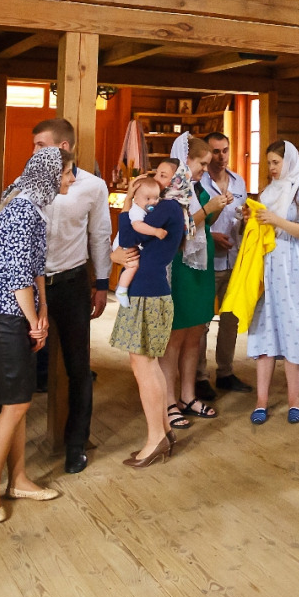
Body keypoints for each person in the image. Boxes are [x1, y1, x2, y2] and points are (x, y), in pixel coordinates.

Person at [0, 119, 115, 478]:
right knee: (13, 372)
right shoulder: (23, 186)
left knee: (79, 366)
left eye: (40, 144)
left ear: (62, 147)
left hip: (68, 285)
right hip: (25, 292)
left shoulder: (92, 187)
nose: (33, 151)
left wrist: (101, 283)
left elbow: (99, 235)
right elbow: (1, 241)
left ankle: (76, 443)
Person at [0, 148, 65, 523]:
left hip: (22, 313)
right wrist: (33, 319)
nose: (69, 182)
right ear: (50, 175)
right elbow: (15, 275)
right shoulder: (22, 208)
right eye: (67, 174)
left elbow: (37, 265)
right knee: (12, 405)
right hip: (5, 315)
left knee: (21, 401)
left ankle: (20, 479)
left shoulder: (34, 207)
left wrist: (42, 311)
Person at [110, 172, 185, 468]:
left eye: (165, 174)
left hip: (148, 293)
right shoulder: (163, 208)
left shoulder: (165, 207)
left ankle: (156, 439)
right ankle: (163, 431)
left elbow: (127, 240)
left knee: (143, 365)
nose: (158, 179)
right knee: (146, 363)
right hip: (148, 290)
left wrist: (129, 201)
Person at [247, 141, 299, 425]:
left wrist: (276, 219)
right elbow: (263, 224)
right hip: (268, 267)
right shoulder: (269, 191)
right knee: (265, 330)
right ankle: (261, 402)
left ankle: (294, 401)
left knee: (293, 328)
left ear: (289, 161)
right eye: (268, 163)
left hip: (295, 265)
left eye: (276, 162)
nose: (271, 168)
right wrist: (252, 219)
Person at [163, 135, 223, 430]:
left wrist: (219, 206)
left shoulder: (198, 187)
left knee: (194, 335)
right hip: (181, 266)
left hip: (201, 266)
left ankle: (188, 396)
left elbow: (204, 224)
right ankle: (168, 401)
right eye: (201, 163)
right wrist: (210, 207)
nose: (203, 169)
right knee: (174, 337)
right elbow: (180, 228)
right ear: (186, 160)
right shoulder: (171, 190)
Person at [200, 131, 252, 396]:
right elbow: (191, 220)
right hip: (208, 260)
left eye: (225, 151)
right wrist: (211, 237)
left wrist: (245, 219)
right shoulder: (199, 181)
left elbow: (239, 219)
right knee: (203, 320)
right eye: (216, 152)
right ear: (207, 154)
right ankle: (199, 376)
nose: (221, 157)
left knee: (230, 319)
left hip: (234, 258)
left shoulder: (239, 181)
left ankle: (226, 372)